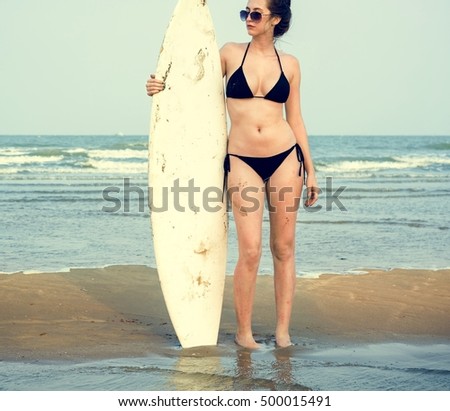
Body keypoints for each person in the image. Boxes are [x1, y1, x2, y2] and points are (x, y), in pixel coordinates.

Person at [146, 0, 319, 349]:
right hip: (242, 160)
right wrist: (158, 87)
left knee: (284, 248)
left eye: (256, 14)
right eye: (246, 12)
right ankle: (244, 333)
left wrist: (311, 170)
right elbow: (190, 85)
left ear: (276, 19)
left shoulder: (291, 65)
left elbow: (295, 119)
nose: (248, 19)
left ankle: (283, 333)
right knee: (251, 250)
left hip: (286, 158)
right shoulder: (228, 54)